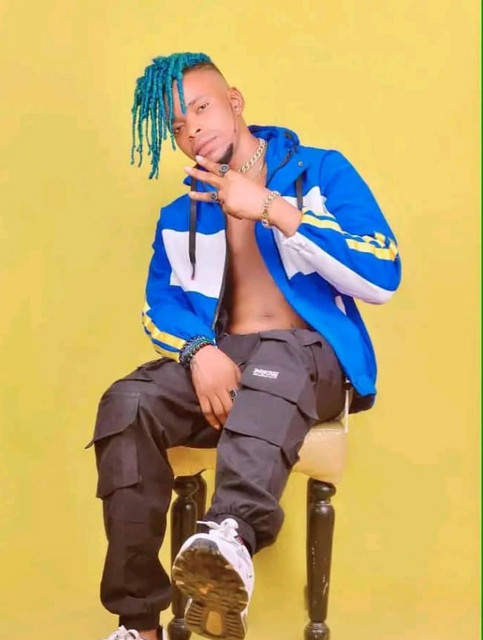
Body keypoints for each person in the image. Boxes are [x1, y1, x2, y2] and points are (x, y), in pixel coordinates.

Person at [88, 52, 401, 640]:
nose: (193, 130)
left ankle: (226, 539)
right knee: (127, 403)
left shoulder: (319, 173)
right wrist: (199, 352)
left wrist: (272, 210)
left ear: (234, 101)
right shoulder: (180, 214)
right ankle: (139, 624)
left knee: (280, 354)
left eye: (202, 108)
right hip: (228, 363)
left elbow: (382, 272)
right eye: (178, 125)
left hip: (308, 361)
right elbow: (160, 307)